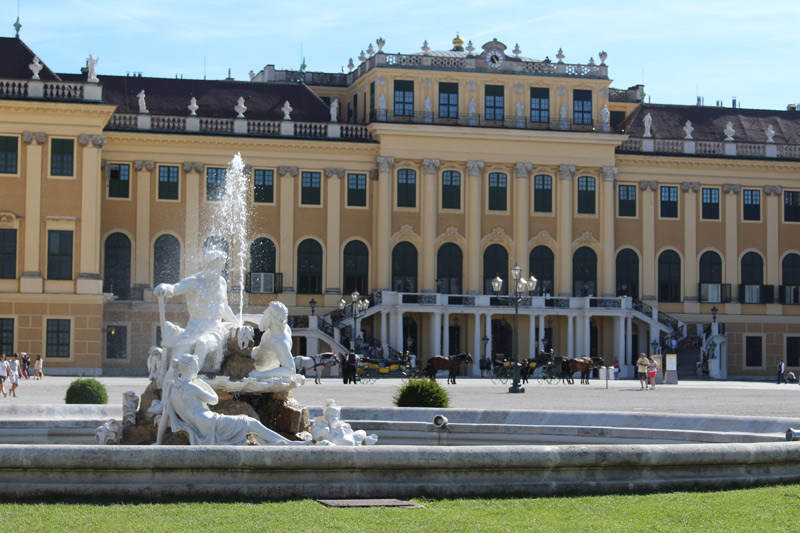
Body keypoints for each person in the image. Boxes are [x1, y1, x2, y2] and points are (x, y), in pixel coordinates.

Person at [154, 353, 302, 446]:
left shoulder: (172, 389)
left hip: (204, 426)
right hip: (212, 423)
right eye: (196, 368)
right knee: (251, 422)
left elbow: (164, 418)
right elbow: (213, 400)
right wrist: (203, 384)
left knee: (250, 426)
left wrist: (158, 444)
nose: (197, 370)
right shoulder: (192, 387)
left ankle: (273, 445)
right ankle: (289, 444)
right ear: (191, 369)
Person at [154, 249, 248, 375]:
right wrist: (165, 288)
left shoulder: (222, 283)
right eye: (215, 267)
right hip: (193, 331)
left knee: (202, 343)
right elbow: (175, 288)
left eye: (220, 267)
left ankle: (190, 378)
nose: (218, 271)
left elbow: (223, 307)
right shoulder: (194, 282)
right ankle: (169, 383)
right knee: (179, 352)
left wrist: (237, 323)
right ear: (208, 265)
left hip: (214, 330)